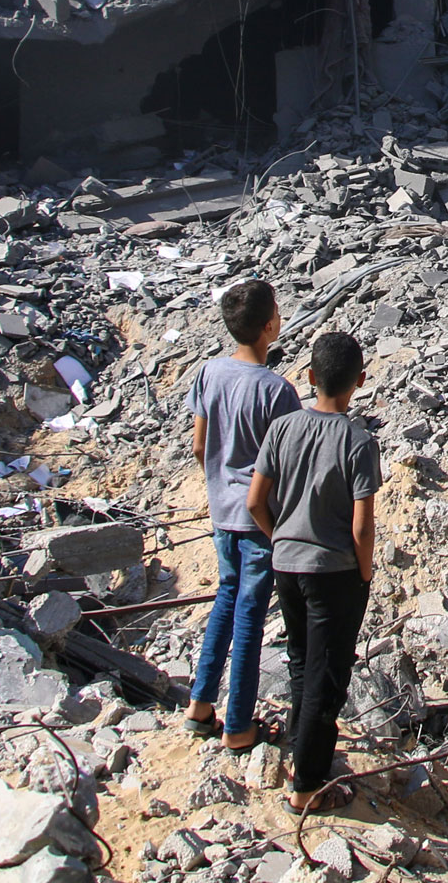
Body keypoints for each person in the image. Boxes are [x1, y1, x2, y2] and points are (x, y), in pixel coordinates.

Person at [248, 331, 379, 813]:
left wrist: (279, 537)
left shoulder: (282, 429)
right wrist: (364, 574)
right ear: (360, 381)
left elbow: (254, 501)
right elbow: (361, 526)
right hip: (335, 572)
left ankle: (300, 756)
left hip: (287, 565)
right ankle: (307, 786)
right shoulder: (358, 441)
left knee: (303, 663)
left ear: (309, 377)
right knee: (328, 678)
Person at [183, 279, 302, 751]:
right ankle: (238, 726)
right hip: (260, 521)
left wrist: (219, 484)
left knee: (225, 601)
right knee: (251, 617)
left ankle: (199, 705)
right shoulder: (278, 392)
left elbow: (198, 444)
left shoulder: (210, 373)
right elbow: (288, 466)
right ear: (270, 324)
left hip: (222, 514)